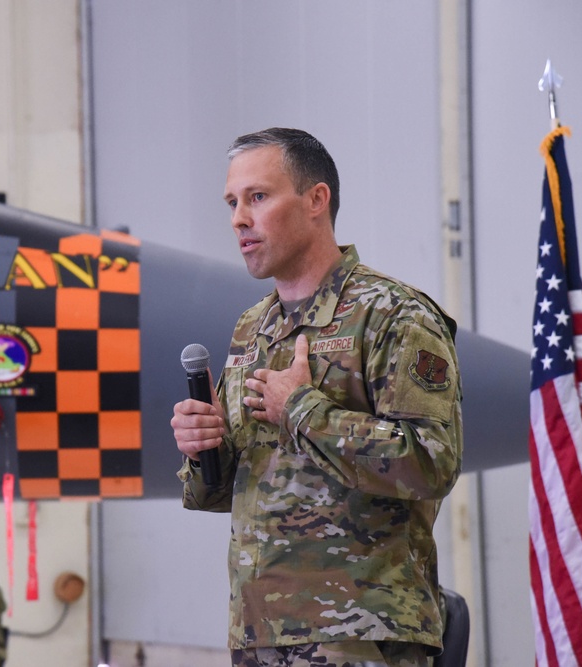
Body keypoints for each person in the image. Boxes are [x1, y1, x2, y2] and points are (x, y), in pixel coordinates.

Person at [170, 128, 463, 667]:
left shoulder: (393, 315)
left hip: (360, 633)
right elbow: (227, 491)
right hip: (260, 633)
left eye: (257, 197)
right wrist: (202, 448)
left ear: (315, 200)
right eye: (232, 202)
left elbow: (432, 462)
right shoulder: (251, 329)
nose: (239, 218)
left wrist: (303, 410)